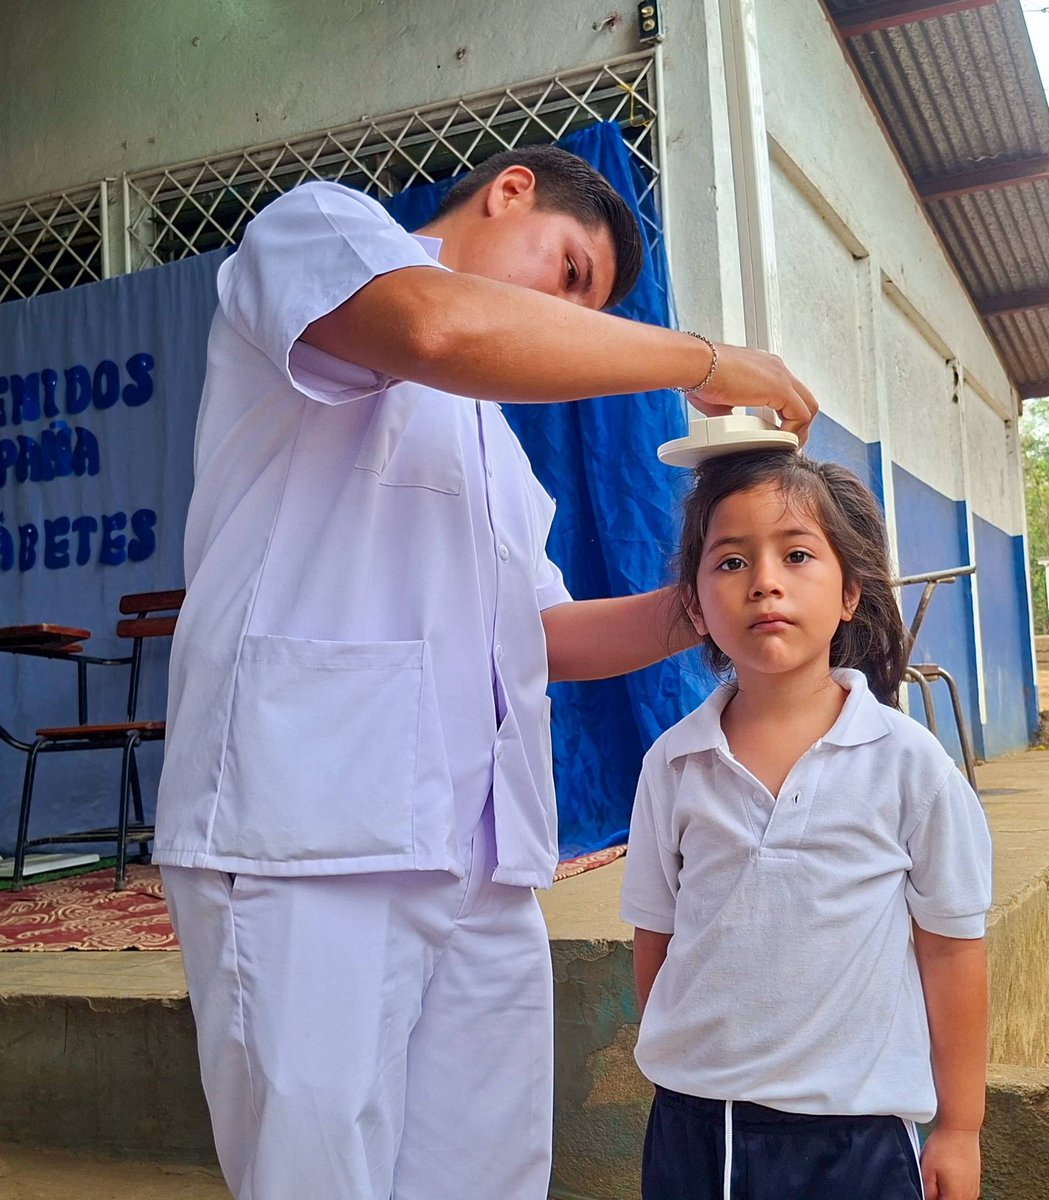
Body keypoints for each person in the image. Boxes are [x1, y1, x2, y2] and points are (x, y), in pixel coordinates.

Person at [154, 145, 818, 1200]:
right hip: (307, 831)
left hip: (479, 860)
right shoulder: (321, 231)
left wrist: (714, 602)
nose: (569, 315)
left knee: (487, 1176)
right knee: (317, 1175)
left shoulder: (493, 447)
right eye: (567, 276)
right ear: (509, 190)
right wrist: (703, 363)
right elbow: (435, 326)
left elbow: (544, 631)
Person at [621, 450, 992, 1200]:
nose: (764, 580)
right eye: (729, 562)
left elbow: (951, 951)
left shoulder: (907, 763)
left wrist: (959, 1127)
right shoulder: (673, 764)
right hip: (698, 1132)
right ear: (694, 607)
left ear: (850, 592)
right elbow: (655, 938)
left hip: (855, 1135)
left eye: (796, 554)